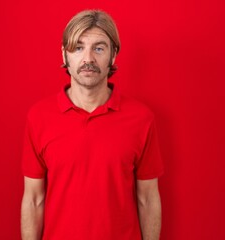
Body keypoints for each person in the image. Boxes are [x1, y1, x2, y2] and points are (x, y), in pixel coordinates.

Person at [21, 9, 164, 240]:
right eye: (78, 48)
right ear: (64, 55)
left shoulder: (141, 118)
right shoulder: (38, 117)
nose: (88, 58)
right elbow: (33, 200)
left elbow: (147, 199)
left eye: (99, 48)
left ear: (113, 55)